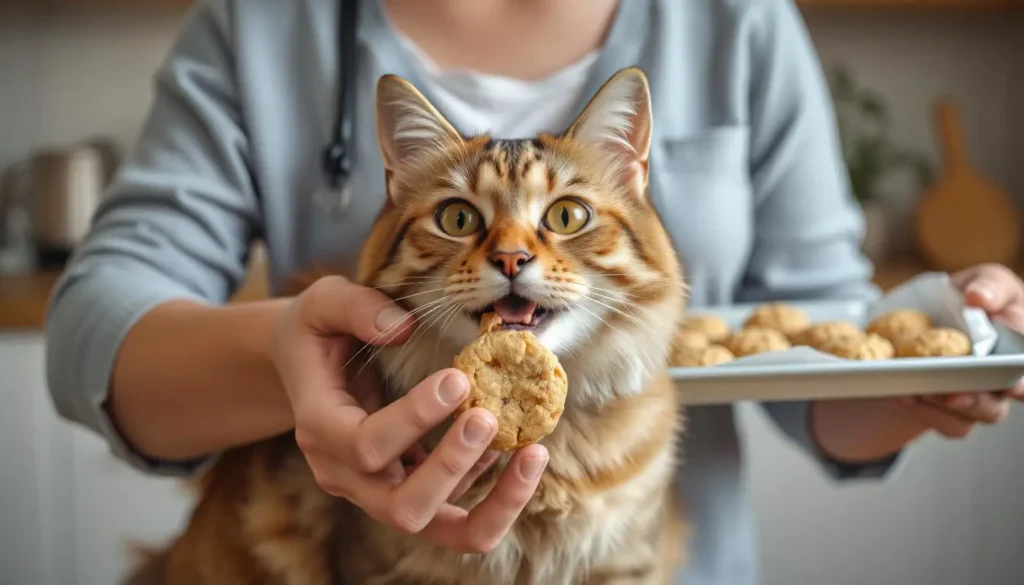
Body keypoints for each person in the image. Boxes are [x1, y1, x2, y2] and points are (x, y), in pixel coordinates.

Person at [43, 0, 1024, 583]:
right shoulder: (264, 22)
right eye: (471, 224)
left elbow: (816, 339)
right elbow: (94, 324)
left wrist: (934, 359)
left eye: (556, 223)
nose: (515, 254)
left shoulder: (737, 19)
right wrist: (291, 358)